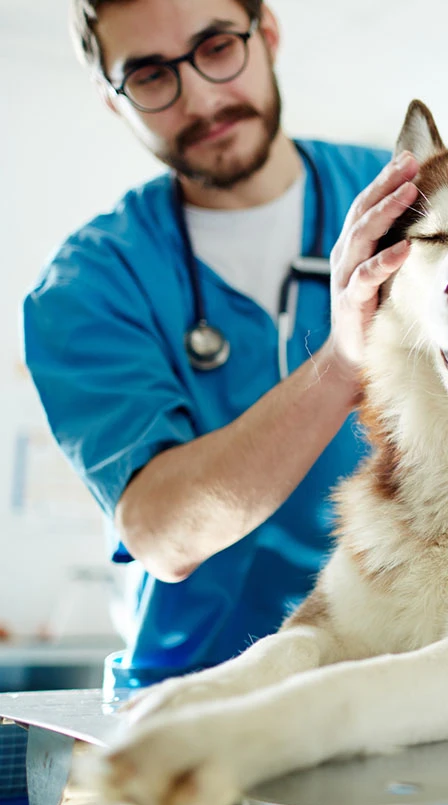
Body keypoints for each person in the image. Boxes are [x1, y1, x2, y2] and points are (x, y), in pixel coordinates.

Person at [21, 0, 419, 690]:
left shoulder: (404, 201)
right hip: (202, 690)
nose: (200, 98)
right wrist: (340, 361)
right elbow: (163, 535)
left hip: (407, 666)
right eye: (149, 74)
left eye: (215, 47)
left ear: (266, 33)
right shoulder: (90, 283)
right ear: (113, 100)